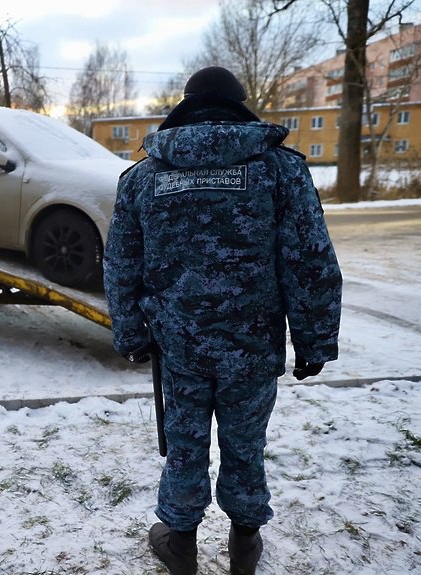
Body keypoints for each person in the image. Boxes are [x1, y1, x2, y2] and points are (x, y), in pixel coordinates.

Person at [103, 66, 342, 575]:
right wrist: (314, 342)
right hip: (252, 348)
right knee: (245, 445)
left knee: (185, 447)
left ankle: (181, 544)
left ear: (187, 106)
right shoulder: (281, 170)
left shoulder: (144, 177)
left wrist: (129, 334)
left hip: (179, 347)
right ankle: (245, 543)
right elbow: (309, 259)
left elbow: (122, 262)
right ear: (239, 105)